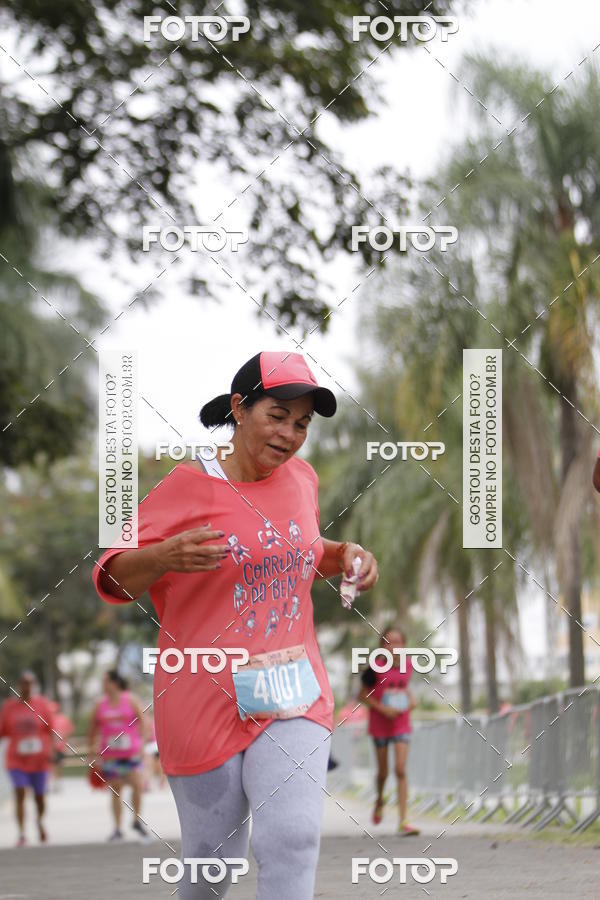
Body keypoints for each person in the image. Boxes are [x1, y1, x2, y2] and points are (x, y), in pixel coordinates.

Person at [93, 350, 379, 900]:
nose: (290, 434)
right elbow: (112, 580)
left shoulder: (301, 480)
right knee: (212, 871)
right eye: (277, 416)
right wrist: (164, 555)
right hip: (202, 694)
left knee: (293, 840)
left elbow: (300, 550)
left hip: (289, 685)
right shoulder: (184, 486)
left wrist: (346, 556)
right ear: (239, 408)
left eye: (302, 424)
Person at [358, 626, 419, 835]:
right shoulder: (375, 667)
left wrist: (411, 701)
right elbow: (362, 695)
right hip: (380, 725)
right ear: (383, 646)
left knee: (400, 769)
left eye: (399, 642)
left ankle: (403, 820)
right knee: (383, 772)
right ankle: (379, 800)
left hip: (401, 722)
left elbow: (402, 687)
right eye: (390, 642)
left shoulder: (408, 665)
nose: (395, 646)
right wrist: (382, 708)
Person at [87, 670, 150, 841]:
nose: (103, 685)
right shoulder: (100, 704)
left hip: (131, 753)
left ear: (115, 683)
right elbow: (92, 730)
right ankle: (117, 828)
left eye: (106, 681)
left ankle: (136, 820)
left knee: (137, 785)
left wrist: (142, 744)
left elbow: (144, 722)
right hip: (110, 756)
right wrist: (93, 753)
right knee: (116, 789)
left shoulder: (130, 699)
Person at [0, 671, 55, 846]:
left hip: (39, 760)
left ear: (34, 685)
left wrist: (53, 751)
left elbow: (51, 730)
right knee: (20, 791)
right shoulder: (9, 706)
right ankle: (22, 833)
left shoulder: (43, 705)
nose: (26, 686)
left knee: (39, 797)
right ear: (19, 685)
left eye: (30, 683)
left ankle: (39, 821)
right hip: (17, 759)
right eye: (24, 683)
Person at [49, 701, 74, 792]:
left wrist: (62, 739)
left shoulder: (62, 719)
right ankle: (55, 782)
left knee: (56, 765)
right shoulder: (49, 719)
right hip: (52, 747)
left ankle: (57, 783)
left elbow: (69, 731)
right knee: (53, 765)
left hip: (59, 747)